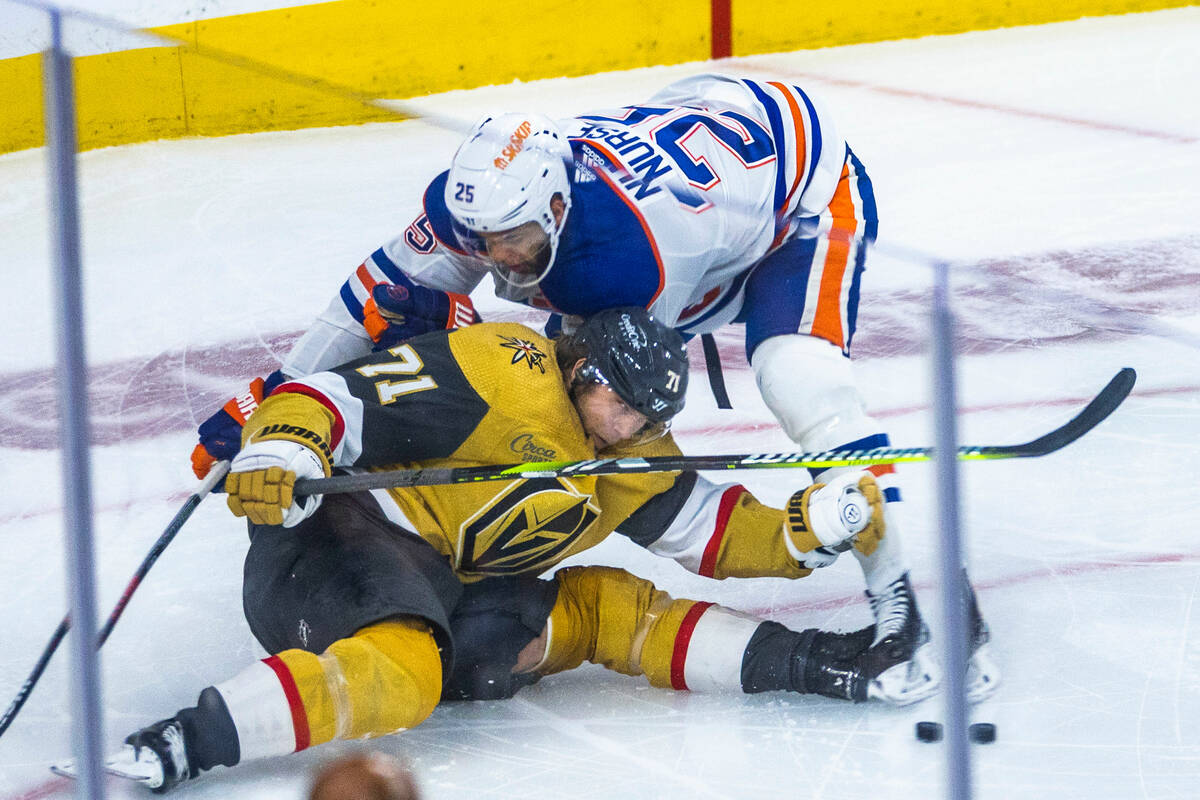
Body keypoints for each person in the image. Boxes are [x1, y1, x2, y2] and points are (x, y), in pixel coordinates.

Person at [190, 73, 996, 707]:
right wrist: (282, 407)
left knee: (798, 375)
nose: (503, 261)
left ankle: (921, 596)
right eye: (487, 243)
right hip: (716, 139)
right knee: (445, 324)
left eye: (520, 241)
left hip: (799, 196)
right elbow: (384, 289)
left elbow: (633, 414)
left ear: (557, 204)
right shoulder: (494, 203)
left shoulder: (629, 264)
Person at [111, 308, 900, 793]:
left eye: (646, 418)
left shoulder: (631, 452)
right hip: (337, 543)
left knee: (606, 608)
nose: (629, 429)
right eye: (619, 405)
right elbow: (336, 393)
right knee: (409, 666)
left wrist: (806, 527)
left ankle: (817, 662)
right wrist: (282, 446)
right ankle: (188, 741)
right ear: (583, 369)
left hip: (441, 583)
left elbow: (714, 531)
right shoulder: (505, 371)